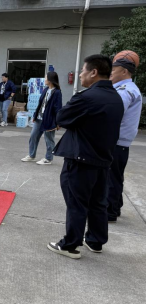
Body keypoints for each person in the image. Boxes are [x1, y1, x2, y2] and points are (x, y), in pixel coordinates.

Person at [48, 55, 124, 259]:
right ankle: (96, 240)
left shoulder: (87, 97)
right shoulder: (116, 98)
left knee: (77, 203)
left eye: (82, 70)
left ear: (94, 72)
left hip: (81, 159)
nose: (80, 74)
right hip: (103, 159)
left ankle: (70, 244)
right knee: (98, 203)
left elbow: (62, 117)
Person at [107, 51, 143, 223]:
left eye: (113, 70)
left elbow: (112, 113)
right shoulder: (128, 89)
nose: (110, 74)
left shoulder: (124, 91)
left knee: (111, 177)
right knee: (115, 176)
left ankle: (110, 212)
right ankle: (115, 206)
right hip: (120, 142)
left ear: (124, 71)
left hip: (115, 141)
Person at [21, 72, 63, 165]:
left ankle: (48, 158)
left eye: (46, 78)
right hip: (39, 118)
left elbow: (58, 108)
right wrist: (35, 115)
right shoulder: (45, 89)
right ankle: (31, 155)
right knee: (33, 136)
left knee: (49, 140)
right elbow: (40, 104)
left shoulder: (57, 92)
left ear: (50, 80)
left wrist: (58, 122)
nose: (44, 80)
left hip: (49, 119)